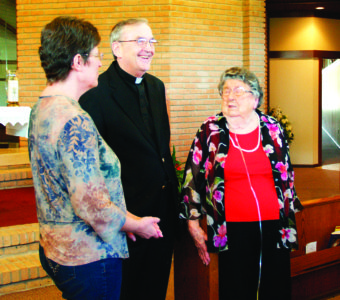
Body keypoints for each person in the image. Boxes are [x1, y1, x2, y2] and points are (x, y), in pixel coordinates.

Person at [29, 16, 163, 300]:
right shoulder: (75, 119)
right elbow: (92, 206)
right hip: (88, 256)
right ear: (78, 62)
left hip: (55, 247)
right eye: (96, 56)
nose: (100, 64)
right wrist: (136, 224)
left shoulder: (42, 107)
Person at [179, 67, 303, 300]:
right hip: (232, 226)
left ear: (255, 98)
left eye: (237, 91)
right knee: (236, 288)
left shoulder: (273, 128)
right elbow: (192, 176)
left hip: (275, 225)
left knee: (275, 287)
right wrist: (193, 222)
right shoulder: (210, 129)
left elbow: (287, 176)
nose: (230, 96)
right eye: (225, 91)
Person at [79, 18, 178, 300]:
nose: (149, 49)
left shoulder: (157, 87)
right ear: (117, 48)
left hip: (162, 212)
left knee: (156, 287)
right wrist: (123, 218)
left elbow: (161, 151)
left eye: (152, 41)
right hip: (126, 218)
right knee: (128, 291)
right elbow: (93, 166)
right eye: (140, 41)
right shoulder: (95, 93)